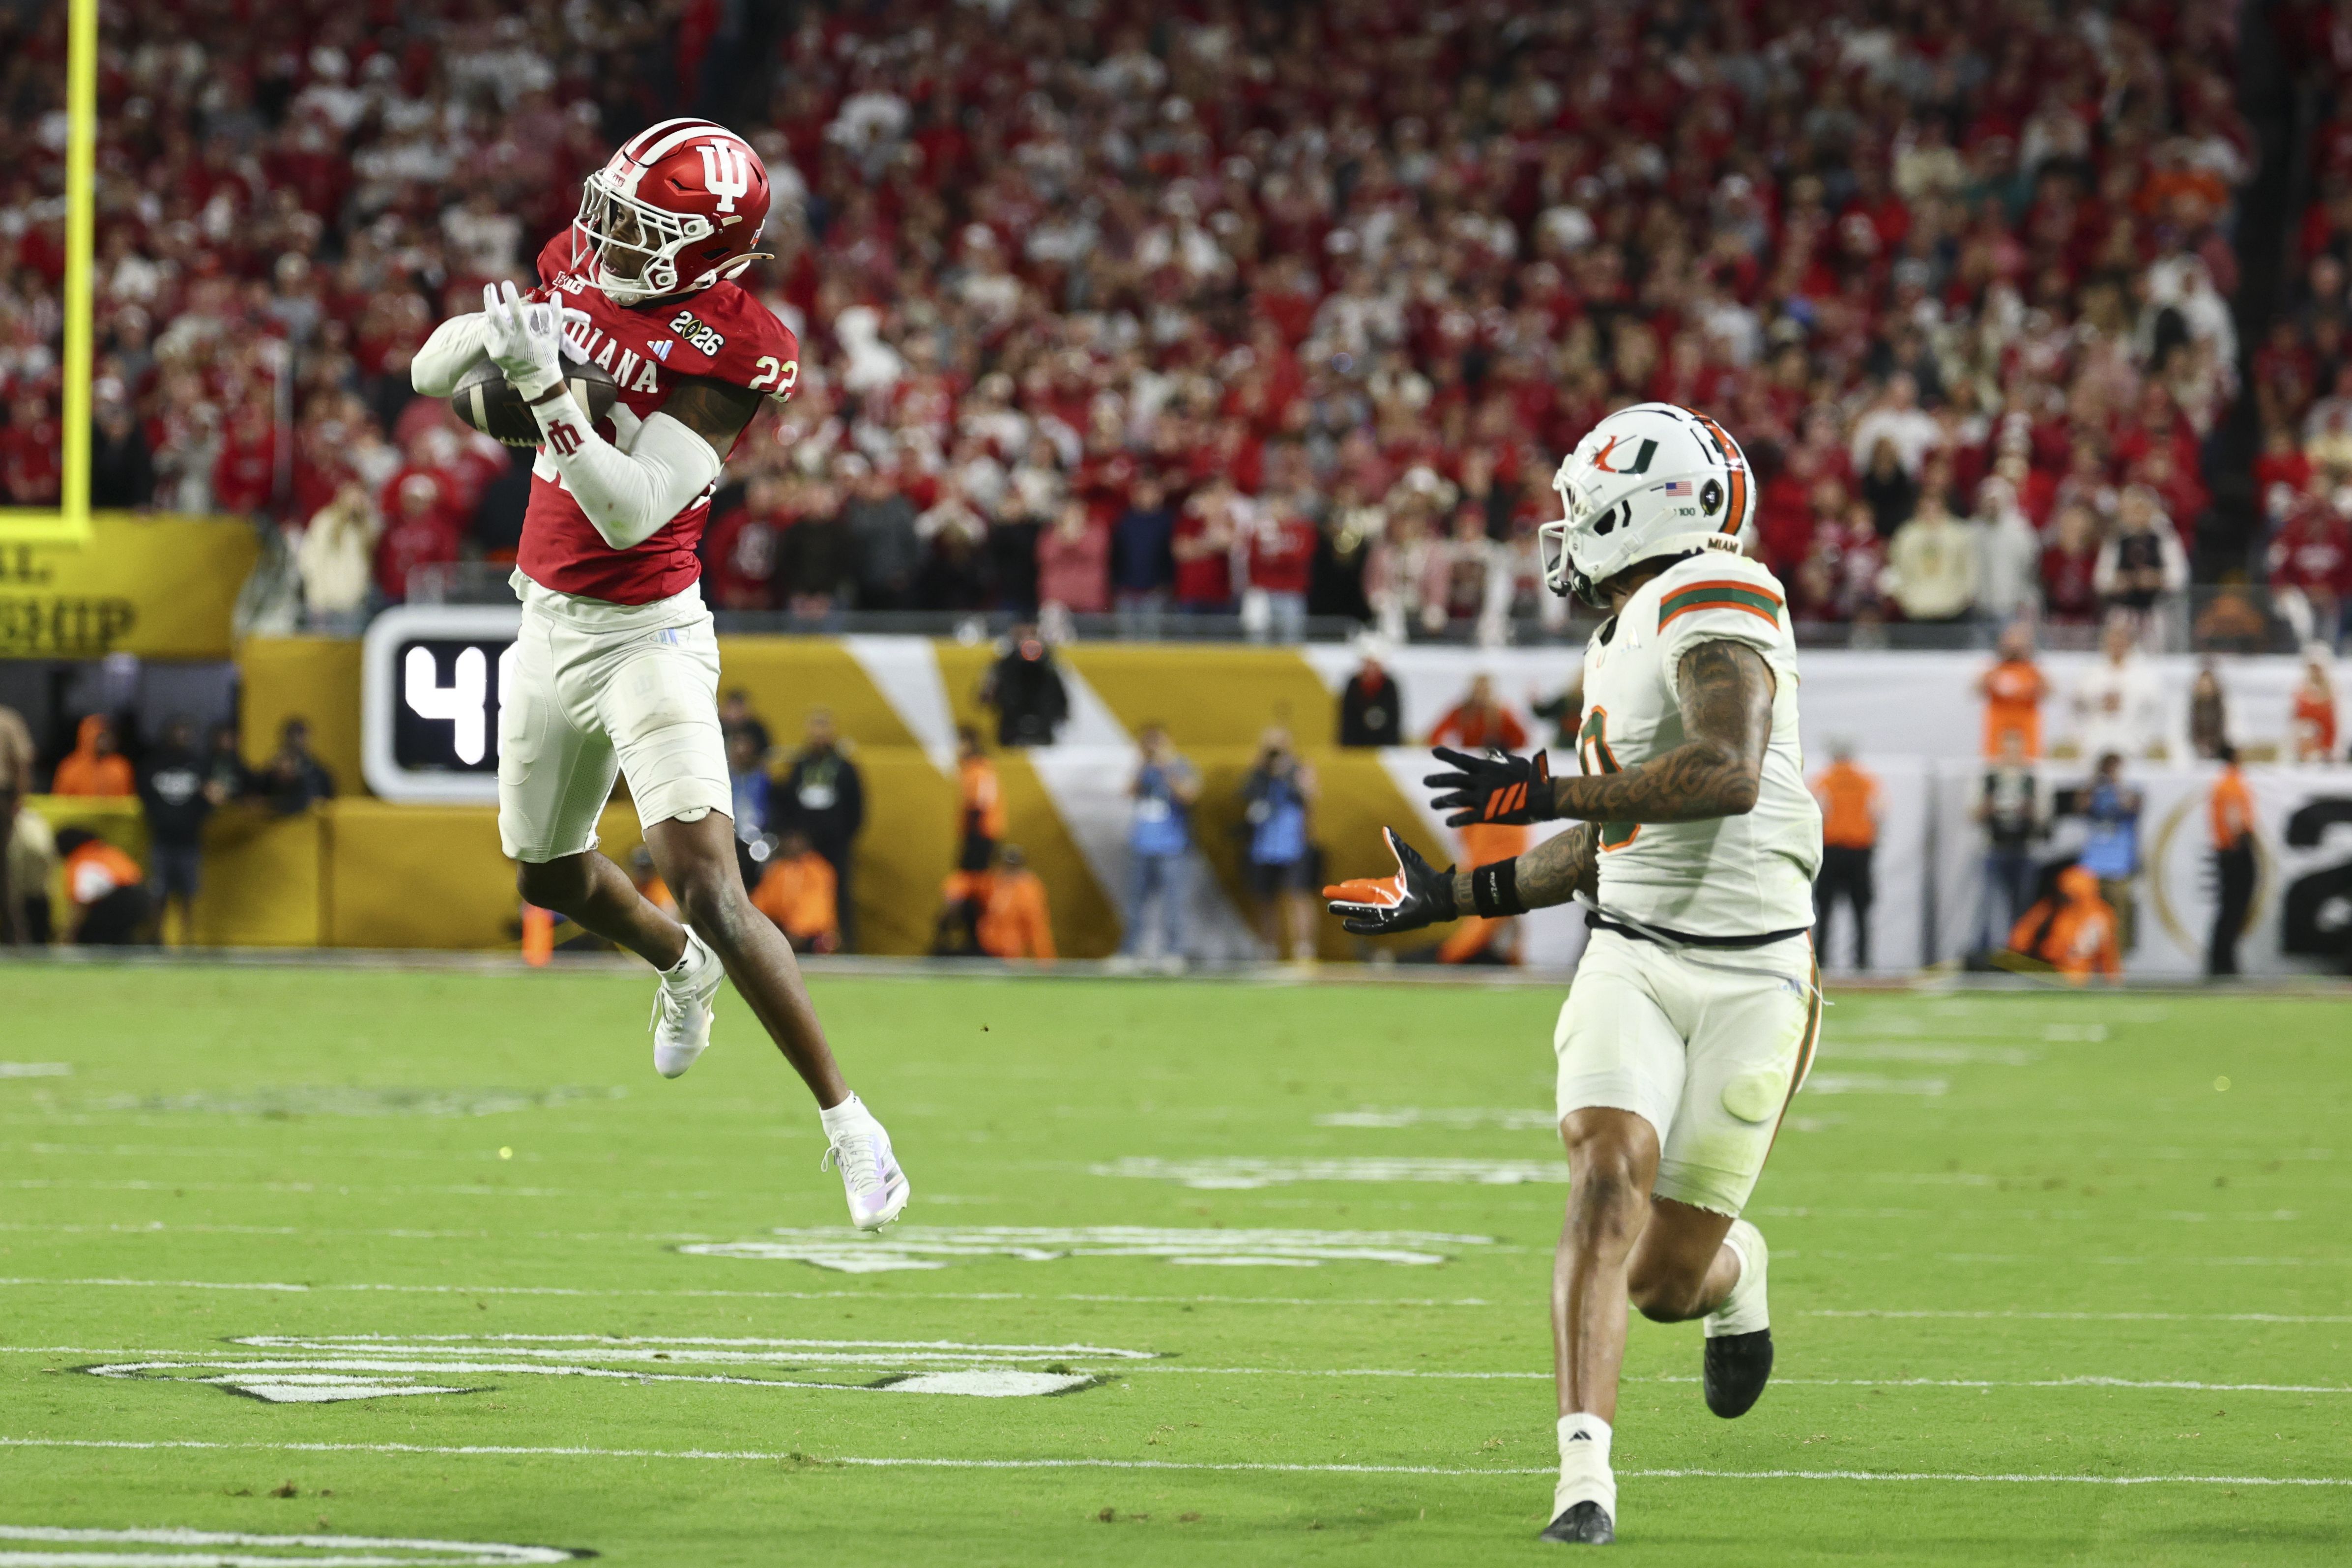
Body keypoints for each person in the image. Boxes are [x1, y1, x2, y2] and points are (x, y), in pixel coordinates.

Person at [1325, 404, 1821, 1545]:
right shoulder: (1620, 633)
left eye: (1581, 507)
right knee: (1605, 1173)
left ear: (1645, 510)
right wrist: (1454, 896)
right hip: (1633, 953)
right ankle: (1582, 1475)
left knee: (1663, 1279)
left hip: (1754, 978)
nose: (1564, 528)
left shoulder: (1717, 590)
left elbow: (1724, 771)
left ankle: (1737, 1271)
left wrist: (1541, 789)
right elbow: (1620, 832)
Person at [404, 115, 908, 1230]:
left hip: (650, 631)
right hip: (543, 622)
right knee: (547, 875)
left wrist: (544, 394)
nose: (604, 237)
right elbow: (434, 370)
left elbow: (634, 507)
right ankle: (678, 967)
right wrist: (482, 344)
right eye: (610, 211)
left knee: (709, 878)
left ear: (708, 245)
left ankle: (851, 1124)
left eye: (639, 226)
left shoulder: (736, 343)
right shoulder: (581, 268)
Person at [773, 710, 865, 950]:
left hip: (835, 843)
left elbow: (857, 807)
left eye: (824, 727)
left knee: (840, 893)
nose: (819, 734)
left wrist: (844, 836)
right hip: (805, 845)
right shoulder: (800, 766)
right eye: (815, 728)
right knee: (801, 891)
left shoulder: (845, 768)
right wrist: (793, 837)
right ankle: (803, 942)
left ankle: (846, 945)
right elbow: (790, 802)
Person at [1120, 724, 1198, 967]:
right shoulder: (1143, 769)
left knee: (1173, 903)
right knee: (1136, 903)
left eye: (1157, 742)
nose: (1153, 748)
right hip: (1142, 845)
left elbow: (1189, 796)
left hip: (1171, 846)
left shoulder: (1180, 766)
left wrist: (1167, 768)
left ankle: (1174, 952)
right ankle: (1130, 951)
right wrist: (1144, 766)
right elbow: (1128, 793)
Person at [1241, 726, 1318, 962]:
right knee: (1266, 899)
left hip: (1293, 844)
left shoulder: (1299, 769)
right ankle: (1268, 949)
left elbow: (1311, 796)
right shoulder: (1259, 773)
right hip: (1264, 846)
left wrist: (1290, 773)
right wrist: (1262, 768)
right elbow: (1245, 797)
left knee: (1299, 897)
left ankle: (1304, 948)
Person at [138, 717, 217, 944]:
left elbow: (208, 797)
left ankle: (188, 938)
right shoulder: (154, 764)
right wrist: (162, 819)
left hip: (189, 841)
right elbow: (145, 796)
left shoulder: (198, 764)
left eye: (185, 733)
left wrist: (194, 819)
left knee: (188, 894)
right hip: (162, 839)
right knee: (158, 892)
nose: (181, 738)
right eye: (177, 732)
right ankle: (155, 937)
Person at [1810, 739, 1878, 969]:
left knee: (1824, 909)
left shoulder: (1824, 779)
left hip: (1831, 849)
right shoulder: (1866, 780)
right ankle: (1863, 963)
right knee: (1861, 911)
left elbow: (1815, 811)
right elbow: (1878, 811)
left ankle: (1821, 960)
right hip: (1860, 849)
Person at [1975, 730, 2043, 950]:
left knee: (2022, 905)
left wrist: (2030, 810)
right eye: (2008, 749)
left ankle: (2019, 949)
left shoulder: (2032, 779)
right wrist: (1990, 805)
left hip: (2023, 848)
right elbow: (1974, 814)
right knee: (1988, 905)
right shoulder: (1990, 778)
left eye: (2017, 749)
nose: (2012, 755)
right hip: (1996, 847)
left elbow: (2043, 818)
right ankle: (1984, 951)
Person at [2001, 864, 2121, 984]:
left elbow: (2107, 950)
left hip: (2077, 976)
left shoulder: (2099, 914)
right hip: (2048, 971)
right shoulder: (2050, 906)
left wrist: (2112, 976)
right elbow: (2023, 934)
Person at [2070, 614, 2168, 761]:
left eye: (2121, 639)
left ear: (2130, 642)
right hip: (2097, 733)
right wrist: (2100, 699)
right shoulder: (2093, 671)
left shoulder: (2144, 672)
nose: (2117, 643)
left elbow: (2153, 703)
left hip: (2132, 734)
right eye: (2113, 639)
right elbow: (2079, 700)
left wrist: (2125, 699)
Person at [2076, 754, 2143, 952]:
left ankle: (2115, 964)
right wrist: (2095, 780)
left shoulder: (2132, 791)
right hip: (2093, 865)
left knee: (2118, 918)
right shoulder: (2097, 791)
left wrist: (2117, 784)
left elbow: (2130, 806)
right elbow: (2080, 806)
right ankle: (2089, 961)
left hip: (2119, 865)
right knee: (2089, 917)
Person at [53, 827, 154, 945]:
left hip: (121, 901)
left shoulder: (82, 859)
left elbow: (82, 902)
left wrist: (69, 935)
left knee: (91, 934)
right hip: (143, 897)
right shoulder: (107, 851)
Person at [750, 828, 840, 953]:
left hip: (811, 937)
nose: (792, 844)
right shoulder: (777, 870)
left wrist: (796, 932)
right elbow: (761, 902)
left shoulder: (819, 870)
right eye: (788, 839)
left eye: (796, 840)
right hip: (783, 932)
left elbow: (815, 907)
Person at [978, 624, 1069, 748]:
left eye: (1032, 637)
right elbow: (985, 697)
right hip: (1011, 729)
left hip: (1042, 728)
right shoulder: (1004, 665)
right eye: (1022, 637)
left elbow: (1061, 700)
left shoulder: (1049, 666)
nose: (1028, 645)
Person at [2208, 745, 2256, 977]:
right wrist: (2240, 839)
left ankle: (2221, 959)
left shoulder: (2224, 782)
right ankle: (2224, 963)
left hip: (2227, 849)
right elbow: (2234, 815)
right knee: (2234, 907)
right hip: (2235, 848)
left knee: (2229, 907)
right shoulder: (2232, 783)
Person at [1976, 624, 2048, 759]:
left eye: (2018, 647)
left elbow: (2049, 692)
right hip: (1998, 730)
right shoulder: (1995, 670)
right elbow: (1977, 689)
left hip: (2026, 730)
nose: (2014, 651)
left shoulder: (2033, 671)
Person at [977, 843, 1056, 961]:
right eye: (1007, 865)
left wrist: (1045, 961)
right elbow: (973, 888)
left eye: (1013, 865)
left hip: (1015, 950)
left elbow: (1036, 926)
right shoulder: (994, 880)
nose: (1010, 870)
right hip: (989, 946)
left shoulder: (1029, 887)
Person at [0, 703, 33, 943]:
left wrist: (20, 799)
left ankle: (14, 937)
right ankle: (14, 938)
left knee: (4, 871)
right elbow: (22, 761)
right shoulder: (8, 720)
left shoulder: (7, 720)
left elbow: (21, 762)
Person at [259, 719, 337, 815]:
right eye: (293, 735)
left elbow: (327, 799)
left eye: (301, 735)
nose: (297, 740)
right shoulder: (272, 772)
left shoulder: (318, 773)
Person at [51, 715, 134, 797]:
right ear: (88, 737)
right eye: (102, 736)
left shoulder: (120, 768)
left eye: (109, 736)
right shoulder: (71, 769)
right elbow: (60, 803)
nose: (106, 742)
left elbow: (127, 803)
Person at [1338, 647, 1403, 747]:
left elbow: (1394, 722)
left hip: (1384, 745)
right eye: (1369, 664)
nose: (1372, 669)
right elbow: (1347, 722)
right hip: (1357, 746)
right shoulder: (1354, 685)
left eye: (1375, 664)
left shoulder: (1389, 686)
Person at [2291, 649, 2339, 764]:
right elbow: (2294, 721)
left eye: (2318, 669)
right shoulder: (2299, 692)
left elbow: (2337, 724)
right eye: (2313, 668)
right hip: (2303, 751)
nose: (2315, 672)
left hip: (2327, 751)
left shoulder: (2334, 694)